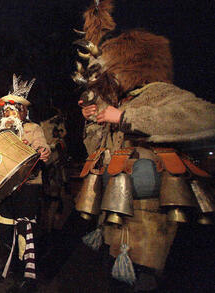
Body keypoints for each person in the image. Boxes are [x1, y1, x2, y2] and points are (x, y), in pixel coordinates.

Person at [73, 1, 215, 291]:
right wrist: (94, 121)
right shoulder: (119, 103)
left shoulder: (160, 93)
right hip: (116, 214)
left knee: (146, 282)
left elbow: (207, 117)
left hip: (152, 215)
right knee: (117, 281)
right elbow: (95, 153)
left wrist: (126, 117)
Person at [0, 74, 50, 292]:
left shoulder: (33, 129)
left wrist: (43, 152)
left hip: (28, 186)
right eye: (5, 111)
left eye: (12, 110)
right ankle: (11, 265)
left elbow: (43, 147)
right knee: (5, 227)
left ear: (22, 112)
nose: (8, 113)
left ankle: (28, 274)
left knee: (25, 230)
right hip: (6, 190)